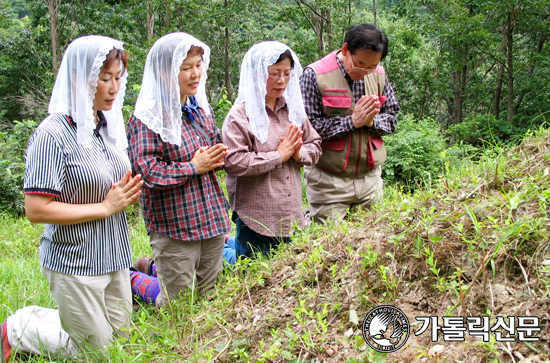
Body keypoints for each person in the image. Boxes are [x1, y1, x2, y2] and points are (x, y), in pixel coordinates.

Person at [1, 35, 143, 362]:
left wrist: (122, 195)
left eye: (118, 78)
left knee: (122, 346)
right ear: (80, 78)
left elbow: (106, 185)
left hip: (115, 254)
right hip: (76, 260)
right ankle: (18, 328)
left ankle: (40, 317)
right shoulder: (52, 134)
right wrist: (106, 206)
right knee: (99, 354)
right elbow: (36, 209)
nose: (114, 87)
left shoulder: (105, 126)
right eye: (104, 78)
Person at [127, 32, 230, 307]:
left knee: (212, 298)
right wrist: (193, 166)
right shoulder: (149, 117)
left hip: (209, 219)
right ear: (165, 72)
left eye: (198, 65)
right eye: (186, 68)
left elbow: (213, 149)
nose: (195, 73)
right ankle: (136, 283)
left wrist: (220, 155)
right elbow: (146, 172)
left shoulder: (198, 108)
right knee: (178, 305)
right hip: (175, 224)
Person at [221, 41, 321, 260]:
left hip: (290, 214)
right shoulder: (239, 116)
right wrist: (279, 156)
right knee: (251, 273)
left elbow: (315, 145)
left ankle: (225, 247)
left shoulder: (293, 109)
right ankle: (222, 253)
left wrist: (298, 154)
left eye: (287, 73)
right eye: (274, 73)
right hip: (256, 217)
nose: (282, 80)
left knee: (286, 274)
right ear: (257, 74)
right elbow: (233, 162)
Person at [299, 23, 400, 224]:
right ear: (345, 50)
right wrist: (352, 122)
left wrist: (370, 122)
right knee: (329, 247)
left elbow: (392, 119)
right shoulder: (314, 75)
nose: (365, 71)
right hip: (329, 182)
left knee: (372, 242)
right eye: (360, 64)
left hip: (370, 179)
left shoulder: (379, 75)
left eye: (372, 66)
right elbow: (307, 129)